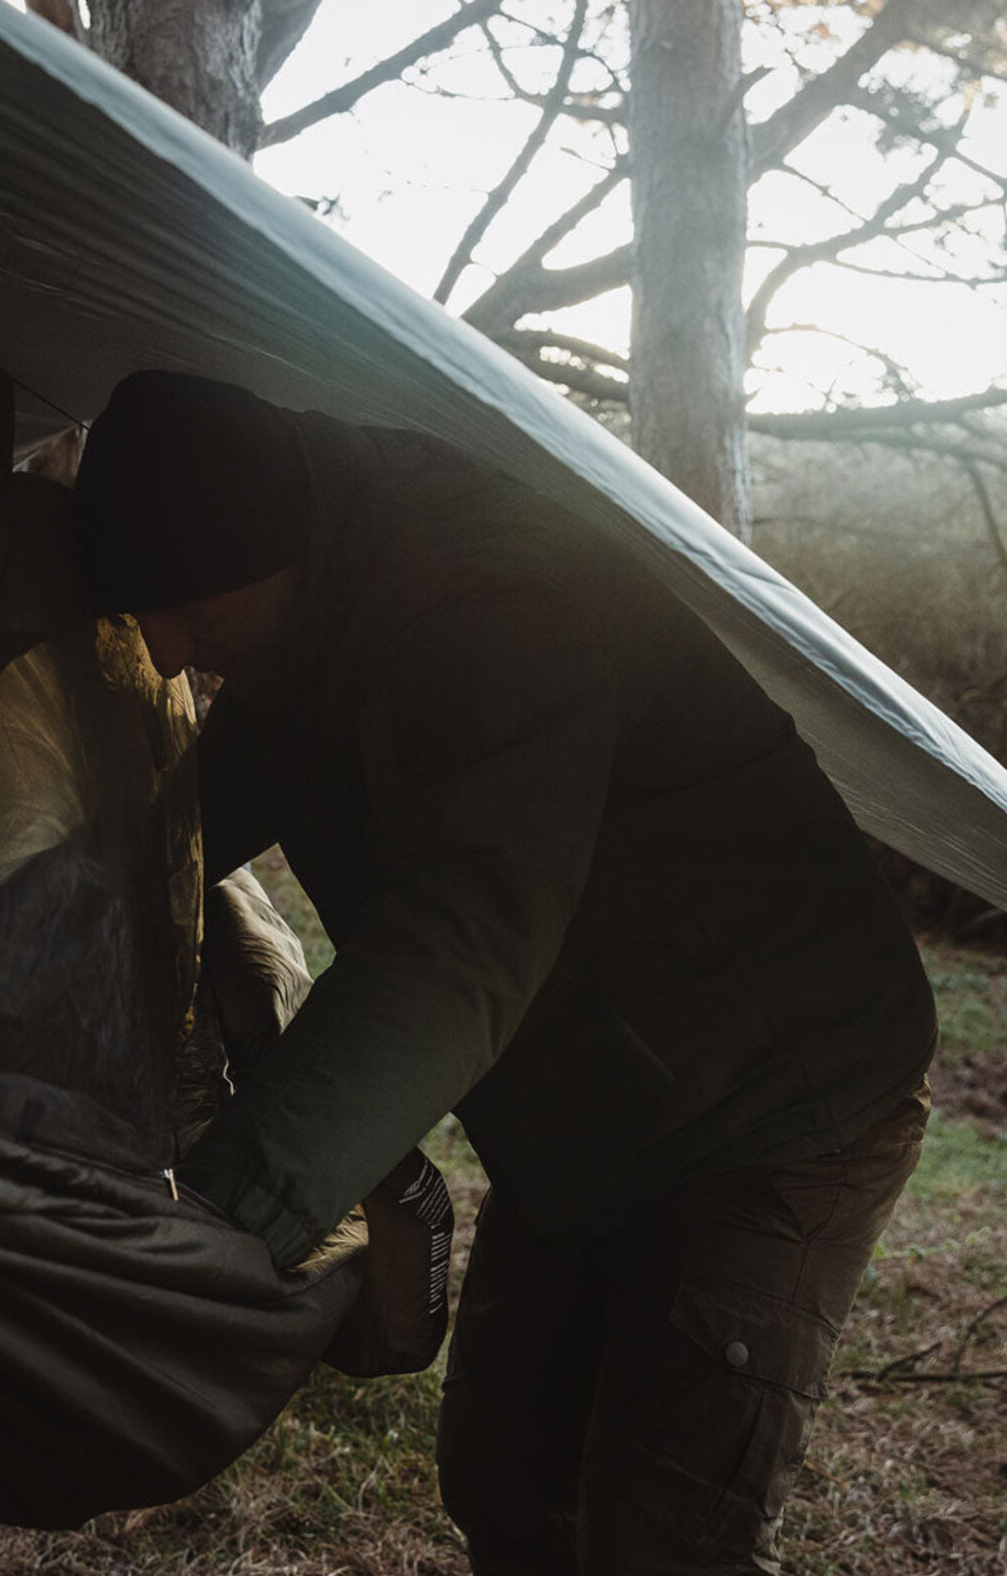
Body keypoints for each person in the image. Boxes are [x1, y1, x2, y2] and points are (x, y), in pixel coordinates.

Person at [70, 369, 935, 1575]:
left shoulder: (491, 599)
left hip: (771, 1094)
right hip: (584, 1096)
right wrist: (32, 906)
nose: (165, 645)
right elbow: (184, 825)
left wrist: (220, 1218)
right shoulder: (303, 605)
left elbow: (459, 933)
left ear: (277, 545)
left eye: (186, 605)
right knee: (507, 1479)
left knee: (662, 1532)